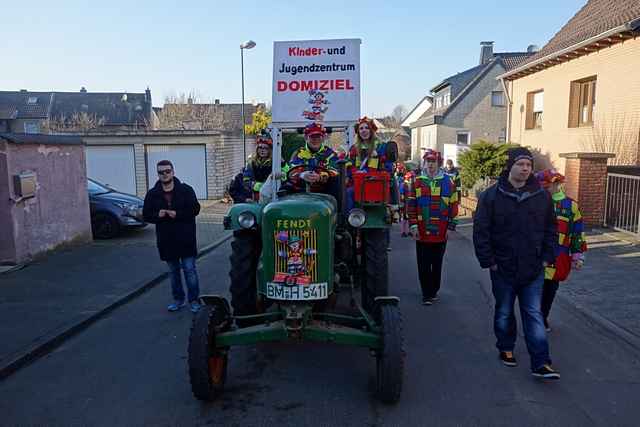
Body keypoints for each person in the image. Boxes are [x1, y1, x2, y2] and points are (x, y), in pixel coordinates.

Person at [473, 147, 560, 379]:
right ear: (510, 166)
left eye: (528, 165)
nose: (525, 169)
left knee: (533, 313)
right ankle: (506, 347)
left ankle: (541, 362)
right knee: (504, 312)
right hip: (502, 267)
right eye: (520, 164)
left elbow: (552, 229)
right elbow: (481, 231)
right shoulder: (490, 196)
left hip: (533, 268)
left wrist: (546, 258)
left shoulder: (542, 196)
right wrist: (488, 261)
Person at [143, 160, 202, 313]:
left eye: (167, 171)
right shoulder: (152, 194)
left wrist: (178, 214)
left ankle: (194, 300)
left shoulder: (186, 190)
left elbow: (195, 209)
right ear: (158, 174)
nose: (164, 175)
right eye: (161, 172)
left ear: (173, 172)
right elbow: (146, 215)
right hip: (167, 241)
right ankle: (178, 299)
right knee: (174, 272)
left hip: (186, 239)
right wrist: (158, 215)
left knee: (190, 270)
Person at [535, 169, 587, 332]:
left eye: (547, 186)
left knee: (550, 289)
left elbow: (577, 231)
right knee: (534, 288)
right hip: (536, 254)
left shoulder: (571, 206)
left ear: (557, 184)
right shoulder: (535, 201)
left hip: (558, 256)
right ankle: (535, 316)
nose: (543, 189)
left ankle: (542, 316)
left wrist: (578, 256)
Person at [405, 149, 458, 305]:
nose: (430, 164)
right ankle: (426, 294)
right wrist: (413, 225)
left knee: (437, 263)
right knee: (423, 263)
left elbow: (454, 205)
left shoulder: (449, 181)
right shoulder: (417, 181)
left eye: (433, 161)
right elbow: (411, 204)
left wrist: (451, 226)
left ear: (438, 163)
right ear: (424, 163)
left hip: (441, 231)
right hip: (421, 230)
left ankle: (433, 290)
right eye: (428, 161)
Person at [285, 122, 339, 195]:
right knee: (285, 187)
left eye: (318, 137)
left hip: (325, 191)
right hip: (301, 190)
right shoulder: (298, 153)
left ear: (323, 138)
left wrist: (320, 176)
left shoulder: (331, 154)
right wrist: (302, 175)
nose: (316, 140)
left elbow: (335, 171)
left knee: (336, 183)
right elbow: (292, 170)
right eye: (312, 137)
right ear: (306, 138)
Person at [243, 132, 273, 201]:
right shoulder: (251, 161)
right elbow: (246, 179)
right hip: (256, 194)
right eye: (260, 147)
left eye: (265, 148)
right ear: (257, 149)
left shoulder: (274, 161)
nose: (262, 150)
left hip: (271, 194)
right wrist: (255, 185)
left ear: (269, 150)